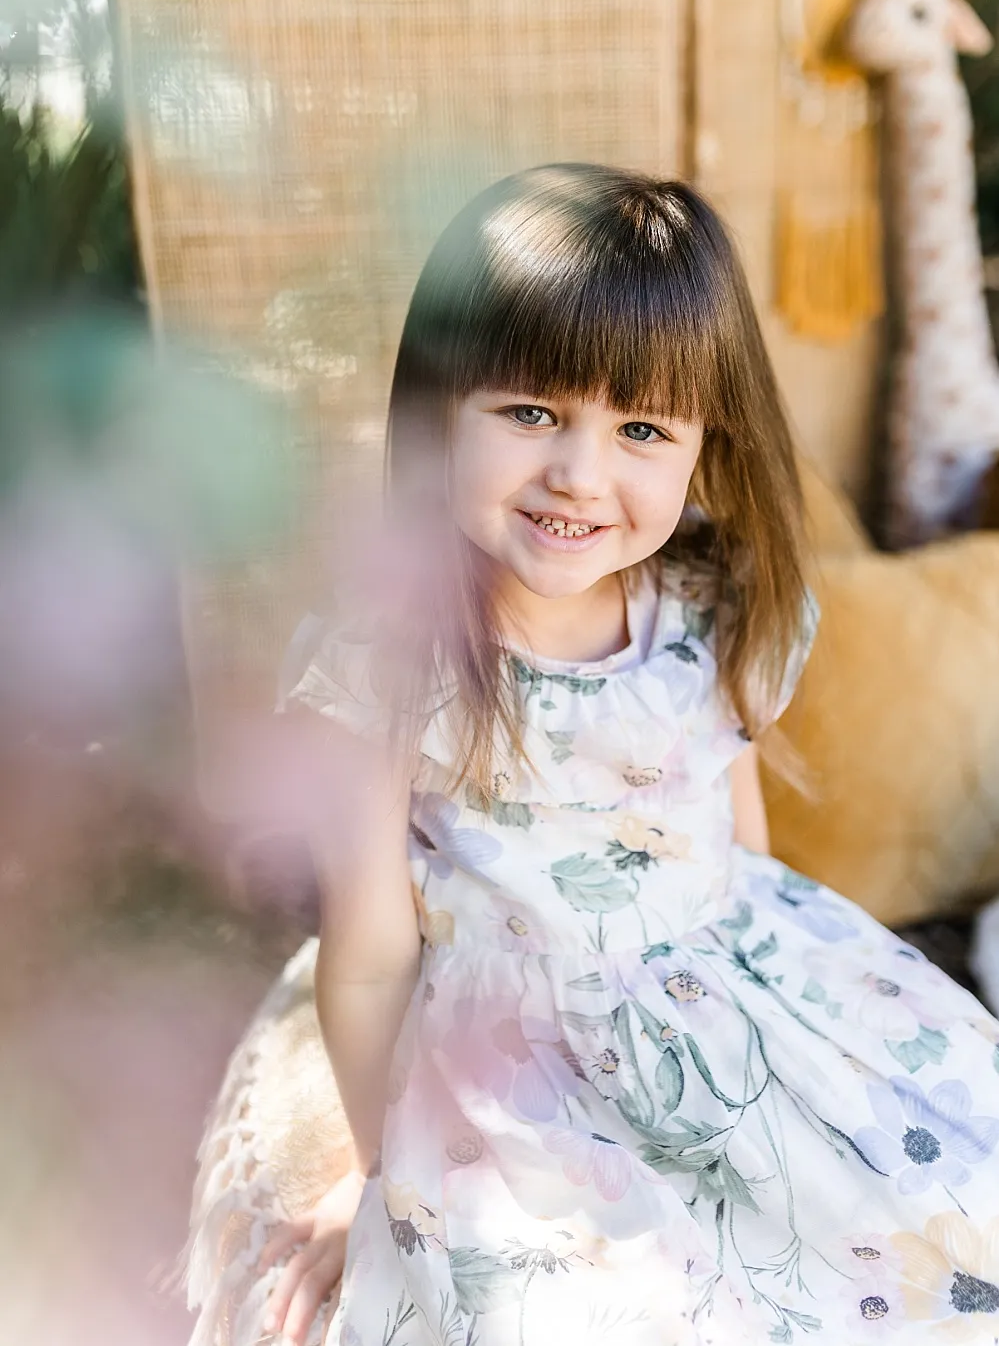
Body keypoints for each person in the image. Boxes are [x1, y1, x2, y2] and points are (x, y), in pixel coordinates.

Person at [186, 166, 999, 1346]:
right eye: (530, 413)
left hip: (725, 988)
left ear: (703, 445)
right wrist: (376, 1180)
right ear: (442, 407)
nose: (578, 473)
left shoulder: (711, 605)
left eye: (642, 430)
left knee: (940, 1220)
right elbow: (367, 956)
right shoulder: (391, 655)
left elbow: (743, 854)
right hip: (518, 1060)